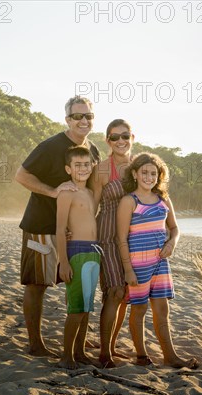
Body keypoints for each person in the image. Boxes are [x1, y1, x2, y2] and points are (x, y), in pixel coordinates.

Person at [15, 96, 100, 357]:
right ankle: (35, 344)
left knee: (73, 285)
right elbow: (21, 175)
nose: (84, 121)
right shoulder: (51, 146)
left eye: (88, 116)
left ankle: (76, 343)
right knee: (37, 285)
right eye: (78, 116)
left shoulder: (93, 150)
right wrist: (53, 192)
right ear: (68, 120)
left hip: (73, 234)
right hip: (41, 225)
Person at [116, 153, 199, 369]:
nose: (149, 177)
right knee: (139, 309)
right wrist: (128, 270)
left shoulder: (163, 199)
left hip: (160, 263)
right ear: (135, 174)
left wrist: (172, 244)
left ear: (159, 176)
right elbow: (121, 238)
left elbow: (174, 228)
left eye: (154, 173)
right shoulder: (129, 201)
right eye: (144, 172)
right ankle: (141, 355)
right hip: (137, 264)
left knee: (162, 310)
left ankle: (170, 356)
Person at [89, 119, 134, 368]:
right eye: (114, 137)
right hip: (107, 234)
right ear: (107, 140)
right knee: (114, 291)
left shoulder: (140, 168)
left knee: (126, 294)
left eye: (124, 136)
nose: (120, 141)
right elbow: (93, 204)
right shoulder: (102, 170)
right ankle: (104, 354)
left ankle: (112, 346)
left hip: (132, 236)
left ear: (132, 137)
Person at [56, 146, 101, 369]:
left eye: (86, 164)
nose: (83, 168)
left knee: (86, 307)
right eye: (77, 165)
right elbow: (59, 229)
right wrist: (63, 262)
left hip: (94, 252)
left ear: (92, 166)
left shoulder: (91, 194)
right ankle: (66, 357)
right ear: (68, 168)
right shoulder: (67, 193)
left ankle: (80, 352)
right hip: (77, 252)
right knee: (75, 308)